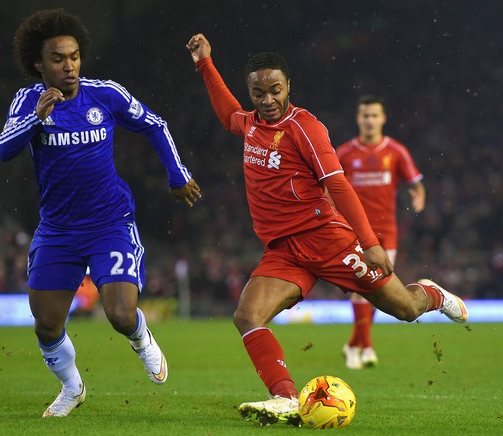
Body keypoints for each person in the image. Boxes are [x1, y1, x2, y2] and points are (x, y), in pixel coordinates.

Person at [186, 33, 467, 426]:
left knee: (405, 308)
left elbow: (338, 185)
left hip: (329, 240)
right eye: (258, 93)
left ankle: (432, 295)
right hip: (284, 250)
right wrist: (205, 63)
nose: (267, 100)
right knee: (247, 315)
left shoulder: (305, 128)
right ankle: (284, 397)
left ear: (288, 86)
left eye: (275, 90)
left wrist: (368, 244)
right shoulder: (249, 124)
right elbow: (227, 114)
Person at [0, 9, 201, 418]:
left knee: (121, 313)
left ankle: (141, 338)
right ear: (39, 64)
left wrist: (177, 174)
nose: (69, 65)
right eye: (58, 58)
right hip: (58, 230)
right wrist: (37, 118)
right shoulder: (26, 102)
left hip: (110, 222)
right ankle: (72, 387)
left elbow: (155, 125)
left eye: (73, 56)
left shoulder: (105, 94)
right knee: (47, 325)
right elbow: (4, 150)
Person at [336, 95, 426, 370]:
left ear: (383, 119)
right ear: (358, 118)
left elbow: (415, 182)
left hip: (387, 232)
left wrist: (419, 196)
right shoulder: (345, 153)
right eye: (365, 115)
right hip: (355, 232)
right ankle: (366, 347)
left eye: (374, 115)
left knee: (376, 288)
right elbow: (328, 186)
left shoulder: (395, 151)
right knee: (361, 288)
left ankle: (354, 345)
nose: (370, 120)